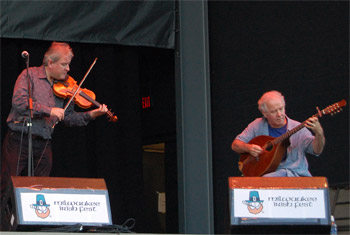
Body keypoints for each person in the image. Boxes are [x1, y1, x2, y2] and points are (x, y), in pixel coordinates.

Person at [1, 42, 108, 198]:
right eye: (64, 64)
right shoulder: (29, 75)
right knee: (6, 186)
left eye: (68, 65)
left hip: (44, 141)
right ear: (50, 62)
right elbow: (19, 102)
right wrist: (49, 110)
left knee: (41, 189)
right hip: (19, 139)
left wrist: (91, 114)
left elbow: (68, 117)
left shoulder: (67, 85)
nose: (68, 69)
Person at [231, 90, 325, 177]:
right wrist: (249, 148)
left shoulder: (298, 128)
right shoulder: (257, 125)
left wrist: (319, 133)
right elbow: (235, 145)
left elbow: (316, 150)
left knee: (263, 181)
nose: (279, 114)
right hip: (265, 173)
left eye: (281, 109)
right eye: (273, 111)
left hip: (293, 175)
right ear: (264, 113)